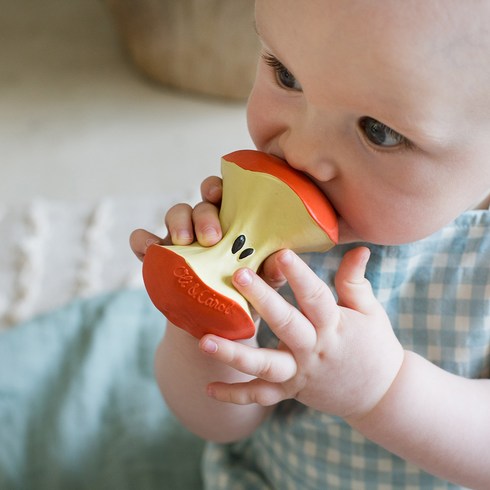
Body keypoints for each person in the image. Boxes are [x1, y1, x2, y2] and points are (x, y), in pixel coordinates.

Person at [130, 1, 490, 488]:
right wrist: (203, 326)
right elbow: (216, 423)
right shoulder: (260, 241)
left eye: (378, 131)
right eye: (287, 75)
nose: (297, 153)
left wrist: (381, 391)